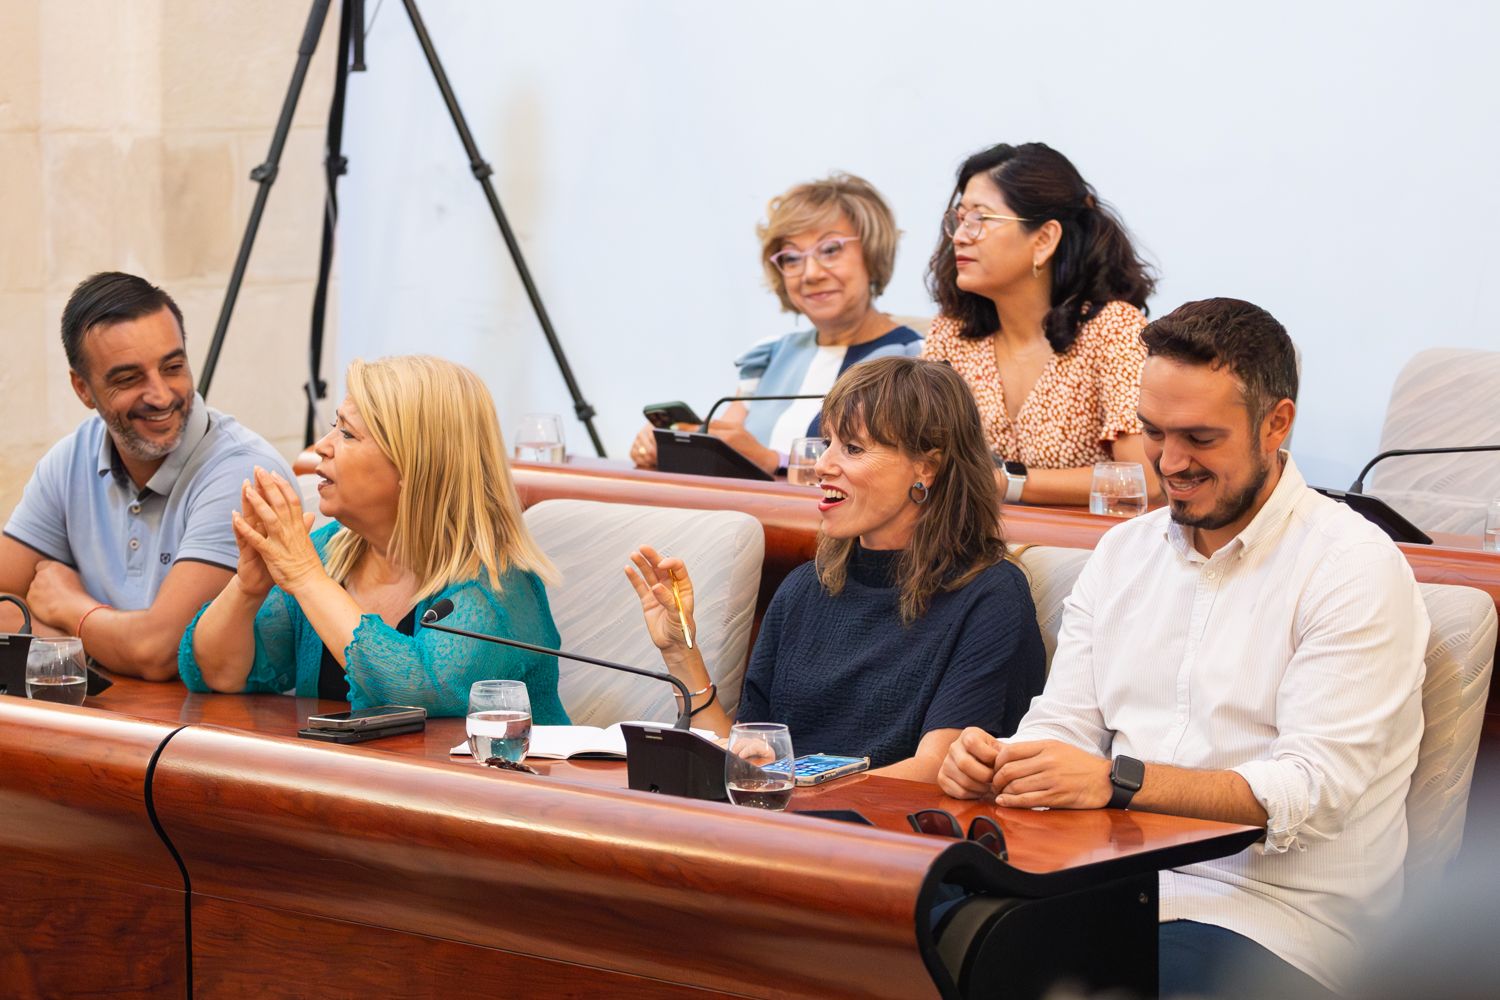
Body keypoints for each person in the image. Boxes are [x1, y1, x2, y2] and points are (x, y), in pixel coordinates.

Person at [938, 298, 1428, 997]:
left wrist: (1118, 781)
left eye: (1199, 437)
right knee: (907, 943)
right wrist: (1004, 762)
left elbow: (1310, 790)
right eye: (1152, 432)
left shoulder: (1352, 565)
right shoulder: (1123, 552)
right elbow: (1064, 725)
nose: (1169, 462)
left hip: (1277, 923)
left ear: (1276, 423)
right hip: (1108, 885)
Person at [627, 356, 1045, 780]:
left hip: (895, 821)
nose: (822, 465)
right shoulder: (803, 588)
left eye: (853, 448)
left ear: (927, 468)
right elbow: (750, 757)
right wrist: (681, 652)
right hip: (787, 813)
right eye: (827, 442)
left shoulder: (991, 596)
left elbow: (934, 774)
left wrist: (788, 783)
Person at [178, 355, 569, 722]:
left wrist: (306, 578)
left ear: (414, 464)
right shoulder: (328, 553)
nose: (322, 447)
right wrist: (247, 588)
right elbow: (218, 674)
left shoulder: (498, 588)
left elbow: (416, 691)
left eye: (347, 434)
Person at [0, 272, 291, 680]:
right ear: (82, 388)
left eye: (173, 367)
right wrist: (89, 648)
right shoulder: (69, 459)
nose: (161, 395)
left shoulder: (242, 473)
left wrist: (72, 609)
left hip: (224, 720)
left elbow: (159, 651)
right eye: (129, 378)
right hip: (110, 712)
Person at [630, 173, 923, 475]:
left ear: (872, 253)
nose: (810, 273)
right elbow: (724, 448)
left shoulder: (913, 359)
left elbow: (894, 473)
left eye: (830, 250)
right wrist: (672, 443)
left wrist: (774, 460)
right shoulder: (769, 356)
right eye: (792, 258)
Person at [922, 142, 1161, 507]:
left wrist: (1005, 483)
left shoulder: (1113, 329)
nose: (960, 236)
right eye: (959, 219)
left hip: (1083, 539)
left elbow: (1142, 479)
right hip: (972, 535)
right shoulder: (951, 334)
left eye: (981, 220)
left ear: (1044, 239)